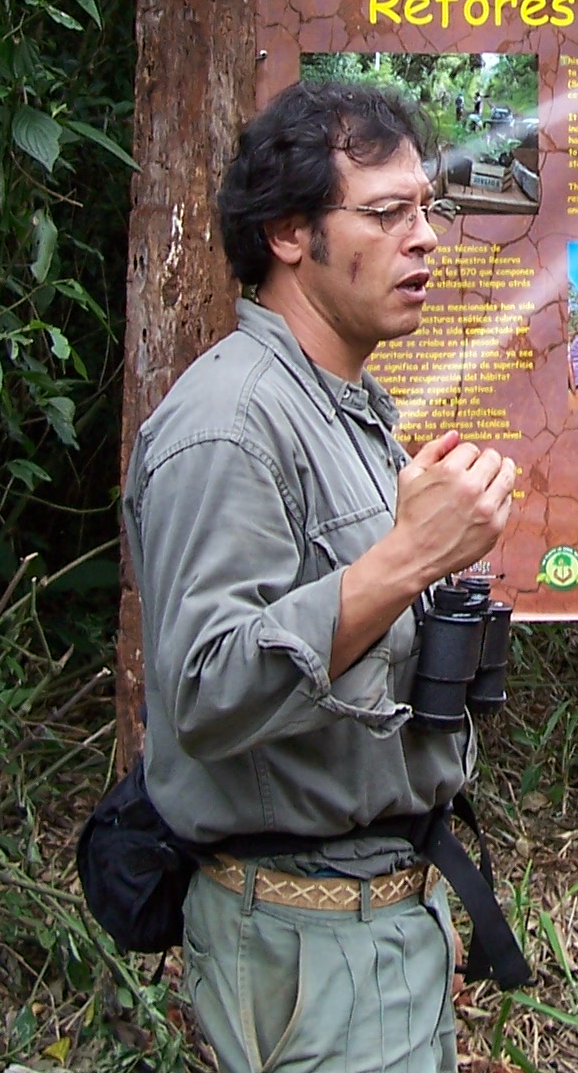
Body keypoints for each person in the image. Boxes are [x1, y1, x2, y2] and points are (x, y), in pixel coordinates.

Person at [122, 80, 519, 1073]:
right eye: (387, 214)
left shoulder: (345, 406)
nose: (425, 237)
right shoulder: (230, 424)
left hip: (377, 922)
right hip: (305, 940)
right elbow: (207, 690)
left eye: (428, 208)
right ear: (290, 233)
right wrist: (408, 559)